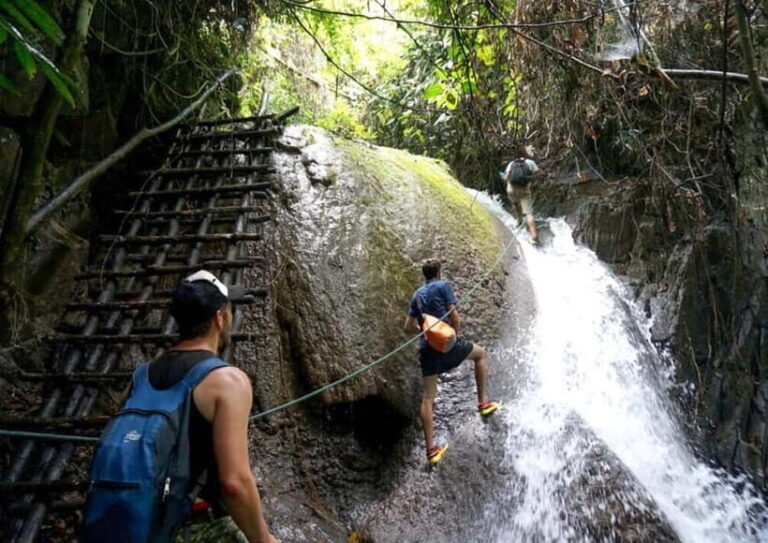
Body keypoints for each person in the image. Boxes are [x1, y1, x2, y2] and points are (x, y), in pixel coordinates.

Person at [83, 270, 277, 543]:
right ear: (219, 318)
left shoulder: (141, 377)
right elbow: (234, 483)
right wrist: (264, 540)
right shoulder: (227, 381)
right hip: (188, 526)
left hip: (135, 521)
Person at [403, 259, 500, 465]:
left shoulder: (416, 296)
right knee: (480, 354)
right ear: (439, 272)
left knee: (428, 397)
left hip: (427, 350)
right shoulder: (443, 285)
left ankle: (431, 450)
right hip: (447, 344)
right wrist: (453, 336)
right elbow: (454, 316)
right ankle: (483, 402)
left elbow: (407, 327)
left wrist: (425, 332)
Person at [502, 144, 541, 246]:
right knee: (528, 213)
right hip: (524, 190)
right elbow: (539, 175)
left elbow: (506, 179)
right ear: (526, 154)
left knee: (515, 204)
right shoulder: (530, 163)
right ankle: (534, 237)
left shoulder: (511, 164)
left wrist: (504, 177)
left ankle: (519, 220)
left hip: (511, 189)